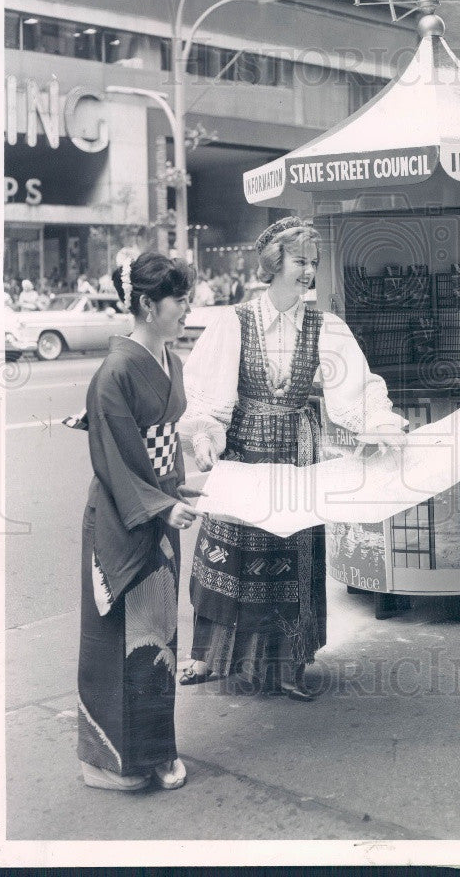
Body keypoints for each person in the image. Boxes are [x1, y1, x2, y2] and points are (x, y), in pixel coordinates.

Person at [179, 217, 405, 699]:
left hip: (298, 455)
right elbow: (207, 396)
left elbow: (357, 389)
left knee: (290, 558)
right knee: (232, 554)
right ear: (274, 263)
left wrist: (375, 425)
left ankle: (288, 666)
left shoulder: (327, 326)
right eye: (301, 261)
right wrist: (204, 437)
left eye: (314, 264)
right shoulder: (233, 322)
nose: (309, 272)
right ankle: (212, 657)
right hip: (243, 452)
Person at [73, 250, 200, 791]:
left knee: (158, 639)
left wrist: (178, 485)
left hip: (158, 509)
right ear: (148, 305)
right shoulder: (115, 372)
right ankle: (109, 763)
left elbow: (162, 444)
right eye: (180, 300)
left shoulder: (169, 360)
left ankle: (156, 751)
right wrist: (162, 501)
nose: (187, 308)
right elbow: (118, 460)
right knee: (119, 641)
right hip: (124, 520)